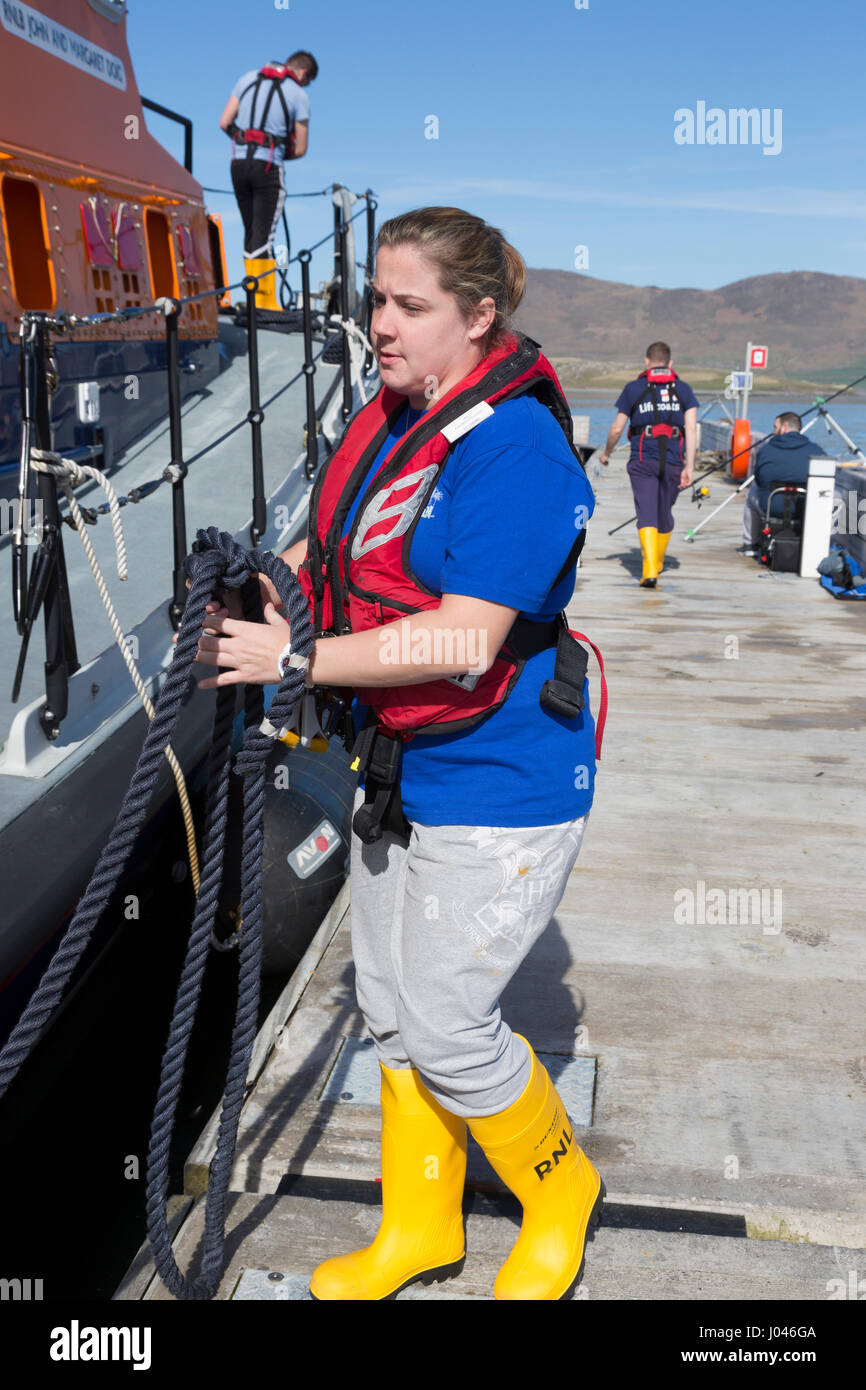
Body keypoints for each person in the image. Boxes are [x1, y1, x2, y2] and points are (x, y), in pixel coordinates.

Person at [191, 207, 605, 1302]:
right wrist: (265, 580)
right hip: (395, 768)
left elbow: (466, 638)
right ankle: (420, 1225)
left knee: (448, 1021)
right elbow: (332, 537)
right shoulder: (393, 415)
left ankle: (559, 1193)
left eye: (408, 306)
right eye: (375, 299)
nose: (379, 323)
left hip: (502, 781)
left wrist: (300, 654)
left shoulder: (515, 448)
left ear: (477, 317)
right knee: (384, 1000)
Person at [218, 51, 318, 310]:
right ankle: (264, 305)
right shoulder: (299, 95)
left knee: (250, 231)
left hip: (238, 165)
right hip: (268, 168)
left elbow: (224, 122)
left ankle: (253, 297)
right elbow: (301, 148)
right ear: (304, 74)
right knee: (264, 236)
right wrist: (272, 150)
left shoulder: (247, 78)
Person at [599, 342, 698, 586]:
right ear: (670, 363)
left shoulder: (633, 388)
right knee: (664, 512)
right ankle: (657, 562)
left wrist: (607, 452)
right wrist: (690, 466)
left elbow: (617, 428)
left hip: (643, 459)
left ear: (646, 362)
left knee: (647, 511)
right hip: (674, 460)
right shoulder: (684, 390)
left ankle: (650, 569)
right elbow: (692, 430)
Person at [738, 412, 825, 556]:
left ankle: (750, 545)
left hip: (771, 508)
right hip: (805, 508)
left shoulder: (766, 450)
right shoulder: (816, 450)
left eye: (775, 427)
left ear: (784, 427)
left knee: (752, 492)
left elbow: (759, 481)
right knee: (835, 497)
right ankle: (819, 544)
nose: (773, 432)